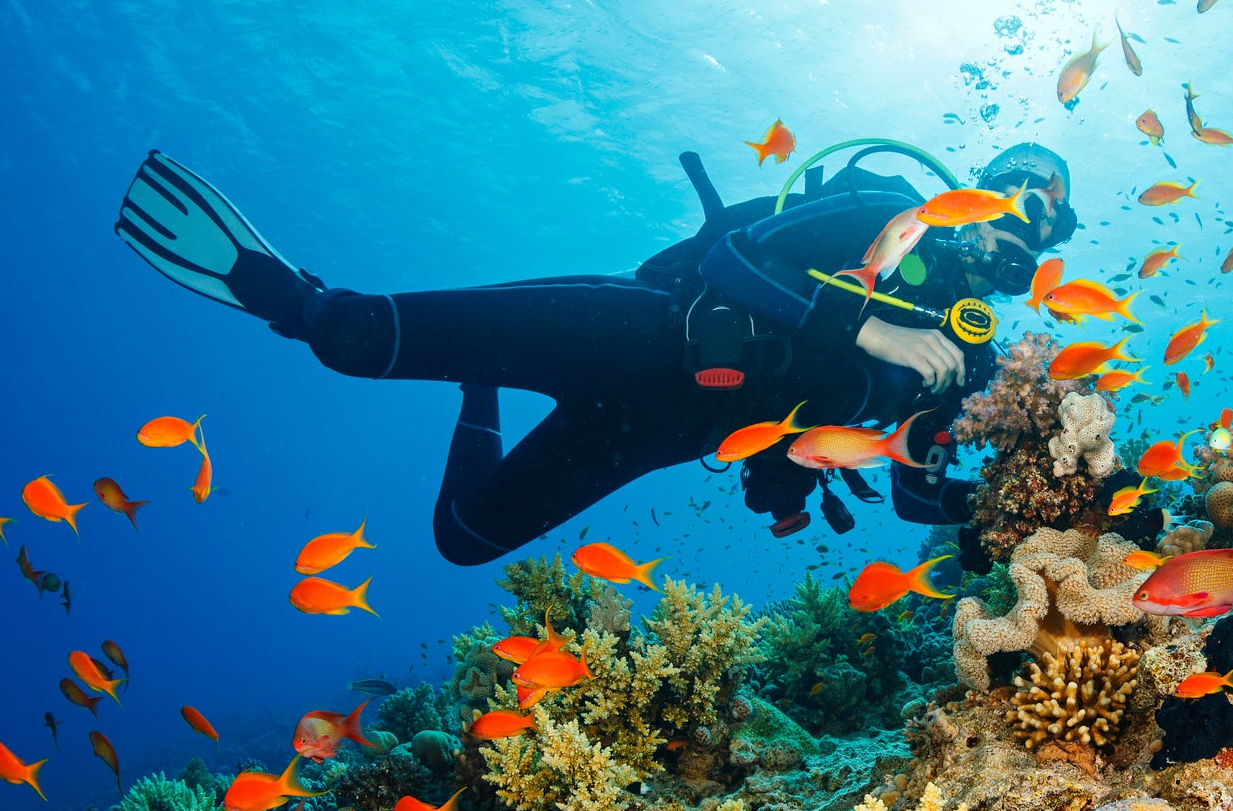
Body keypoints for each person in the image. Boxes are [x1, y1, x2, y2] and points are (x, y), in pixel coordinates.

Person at [114, 141, 1075, 564]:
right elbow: (728, 260)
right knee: (352, 335)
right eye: (1022, 203)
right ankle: (267, 282)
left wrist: (1004, 521)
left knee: (462, 540)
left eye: (1051, 224)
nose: (1029, 236)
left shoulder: (975, 362)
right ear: (983, 194)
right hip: (639, 327)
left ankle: (478, 390)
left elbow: (912, 489)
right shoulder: (888, 214)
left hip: (665, 429)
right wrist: (864, 324)